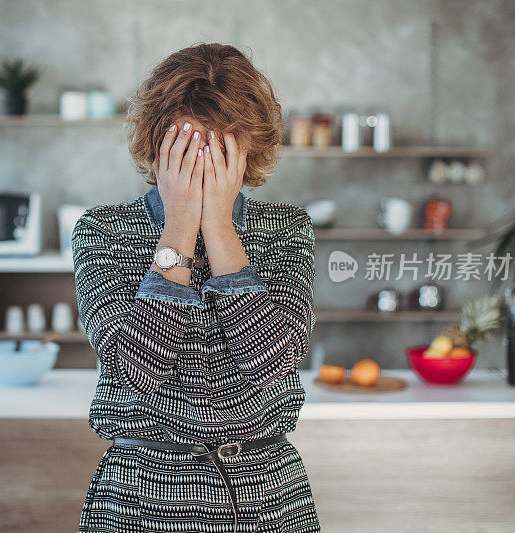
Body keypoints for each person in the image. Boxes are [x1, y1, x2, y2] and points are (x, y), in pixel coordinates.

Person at [72, 44, 321, 532]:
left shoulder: (288, 231)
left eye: (219, 145)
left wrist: (221, 229)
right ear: (155, 142)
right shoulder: (103, 231)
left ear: (248, 149)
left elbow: (271, 363)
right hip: (140, 493)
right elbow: (134, 371)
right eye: (185, 144)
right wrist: (181, 225)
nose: (201, 161)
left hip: (264, 496)